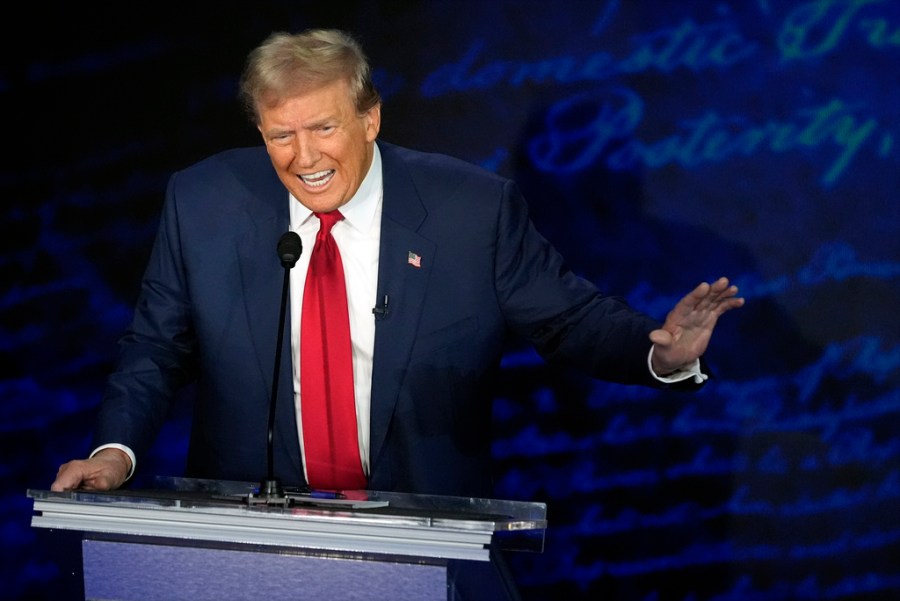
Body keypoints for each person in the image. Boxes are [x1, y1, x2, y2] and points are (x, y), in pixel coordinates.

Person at [51, 28, 743, 498]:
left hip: (417, 522)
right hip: (247, 532)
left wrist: (659, 353)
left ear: (370, 119)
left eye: (324, 127)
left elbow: (569, 319)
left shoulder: (470, 209)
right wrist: (117, 451)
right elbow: (153, 349)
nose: (305, 157)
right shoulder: (203, 202)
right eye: (281, 135)